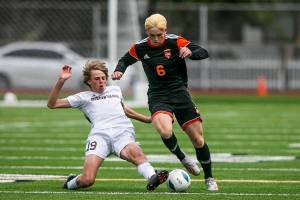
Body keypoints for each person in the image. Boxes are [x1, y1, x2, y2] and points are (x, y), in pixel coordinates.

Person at [111, 13, 218, 191]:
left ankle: (209, 178)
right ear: (147, 32)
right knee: (164, 129)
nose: (155, 39)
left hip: (180, 93)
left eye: (158, 35)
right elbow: (124, 60)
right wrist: (118, 70)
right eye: (151, 35)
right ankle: (183, 157)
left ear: (165, 31)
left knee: (198, 140)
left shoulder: (175, 41)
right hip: (158, 94)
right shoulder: (139, 47)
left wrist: (191, 52)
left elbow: (203, 52)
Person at [47, 59, 168, 191]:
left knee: (136, 153)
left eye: (103, 78)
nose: (101, 81)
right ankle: (70, 183)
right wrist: (61, 80)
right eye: (97, 78)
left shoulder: (115, 90)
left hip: (122, 133)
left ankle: (153, 177)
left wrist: (147, 119)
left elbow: (123, 109)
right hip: (99, 137)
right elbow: (52, 104)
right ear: (89, 81)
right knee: (87, 180)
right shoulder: (83, 97)